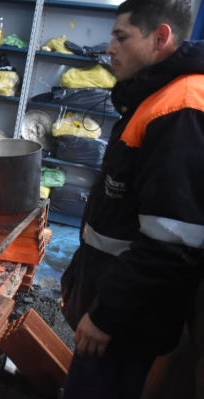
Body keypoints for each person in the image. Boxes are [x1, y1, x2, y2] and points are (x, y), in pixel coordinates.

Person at [60, 1, 204, 398]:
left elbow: (173, 242)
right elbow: (118, 213)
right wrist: (78, 278)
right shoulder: (154, 97)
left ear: (160, 38)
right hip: (116, 306)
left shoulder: (181, 109)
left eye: (120, 37)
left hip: (126, 326)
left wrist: (106, 315)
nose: (109, 48)